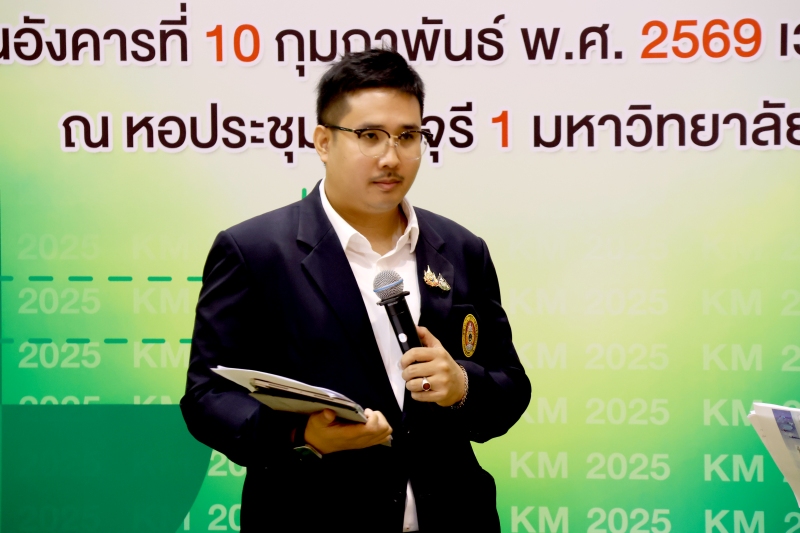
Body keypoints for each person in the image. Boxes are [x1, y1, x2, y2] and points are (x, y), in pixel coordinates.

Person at [181, 48, 531, 533]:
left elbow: (510, 387)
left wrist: (462, 386)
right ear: (323, 142)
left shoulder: (462, 249)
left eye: (408, 136)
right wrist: (301, 435)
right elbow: (206, 397)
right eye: (369, 136)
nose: (391, 157)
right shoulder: (254, 251)